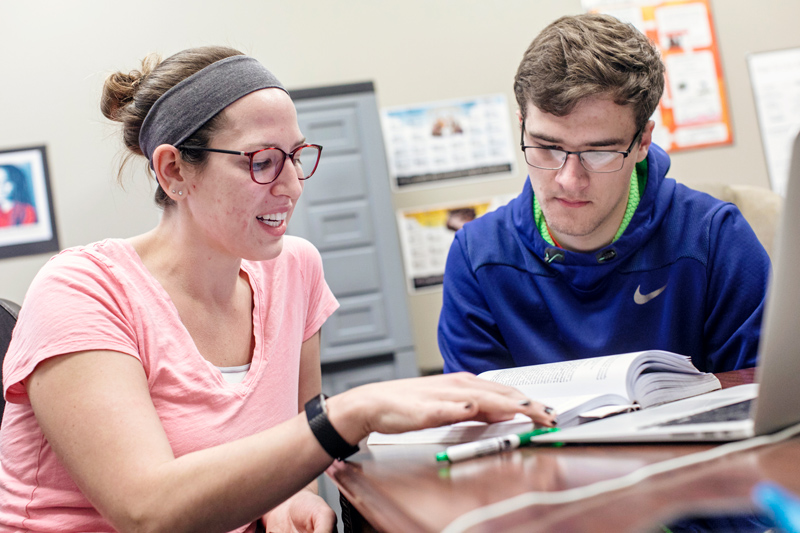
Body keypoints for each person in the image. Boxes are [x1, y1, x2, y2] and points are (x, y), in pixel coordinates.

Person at [0, 46, 556, 533]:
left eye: (296, 157)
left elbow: (293, 445)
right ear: (173, 172)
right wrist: (353, 412)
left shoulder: (294, 270)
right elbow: (148, 511)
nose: (291, 186)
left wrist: (294, 494)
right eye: (262, 162)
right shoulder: (82, 291)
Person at [438, 14, 770, 376]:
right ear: (522, 126)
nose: (569, 179)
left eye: (599, 152)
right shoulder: (477, 255)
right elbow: (478, 419)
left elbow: (765, 397)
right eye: (547, 146)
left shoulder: (715, 239)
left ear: (642, 141)